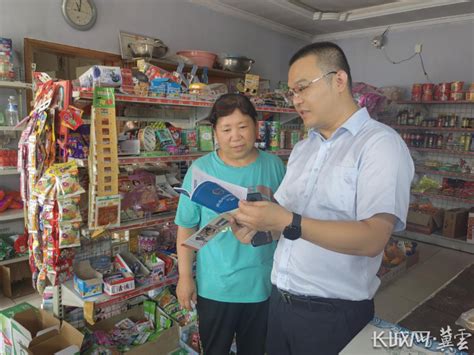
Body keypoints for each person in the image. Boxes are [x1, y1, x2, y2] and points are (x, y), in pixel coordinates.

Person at [232, 42, 414, 354]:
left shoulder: (380, 145)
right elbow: (285, 224)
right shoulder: (305, 148)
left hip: (332, 314)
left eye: (302, 88)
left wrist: (287, 221)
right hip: (279, 301)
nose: (296, 100)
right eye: (291, 92)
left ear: (339, 81)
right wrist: (258, 228)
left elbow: (373, 239)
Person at [174, 93, 286, 355]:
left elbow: (288, 219)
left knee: (256, 350)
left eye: (243, 127)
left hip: (262, 284)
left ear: (256, 127)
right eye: (226, 129)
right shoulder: (200, 170)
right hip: (216, 287)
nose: (235, 136)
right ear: (215, 132)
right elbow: (186, 226)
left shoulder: (274, 166)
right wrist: (184, 277)